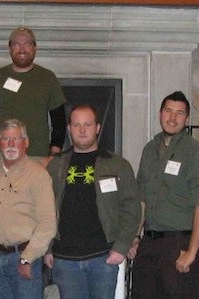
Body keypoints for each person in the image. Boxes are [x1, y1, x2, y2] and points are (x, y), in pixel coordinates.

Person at [44, 104, 141, 298]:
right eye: (76, 125)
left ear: (97, 128)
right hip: (64, 260)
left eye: (87, 124)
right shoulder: (55, 166)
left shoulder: (118, 165)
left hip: (104, 258)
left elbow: (132, 209)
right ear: (69, 129)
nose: (81, 130)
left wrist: (121, 247)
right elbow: (43, 210)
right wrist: (47, 249)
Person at [132, 91, 199, 298]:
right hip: (149, 243)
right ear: (160, 114)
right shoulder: (149, 150)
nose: (172, 118)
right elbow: (142, 198)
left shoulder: (196, 152)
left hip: (179, 244)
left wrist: (192, 252)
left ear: (186, 119)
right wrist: (135, 237)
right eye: (168, 111)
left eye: (179, 113)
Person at [0, 119, 57, 299]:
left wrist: (27, 258)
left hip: (24, 259)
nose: (10, 144)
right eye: (6, 139)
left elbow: (48, 223)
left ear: (26, 142)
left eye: (16, 139)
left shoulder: (39, 175)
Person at [0, 26, 67, 168]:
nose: (22, 49)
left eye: (27, 44)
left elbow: (59, 121)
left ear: (35, 48)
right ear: (10, 48)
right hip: (0, 157)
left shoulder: (47, 78)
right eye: (16, 44)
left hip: (37, 158)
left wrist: (53, 156)